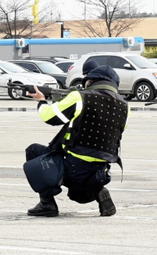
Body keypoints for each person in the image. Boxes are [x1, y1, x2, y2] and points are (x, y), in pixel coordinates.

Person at [23, 64, 128, 217]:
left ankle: (47, 203)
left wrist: (41, 101)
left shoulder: (80, 97)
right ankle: (98, 190)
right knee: (80, 189)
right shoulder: (125, 106)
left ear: (91, 81)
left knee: (33, 151)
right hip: (101, 172)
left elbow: (50, 117)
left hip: (74, 169)